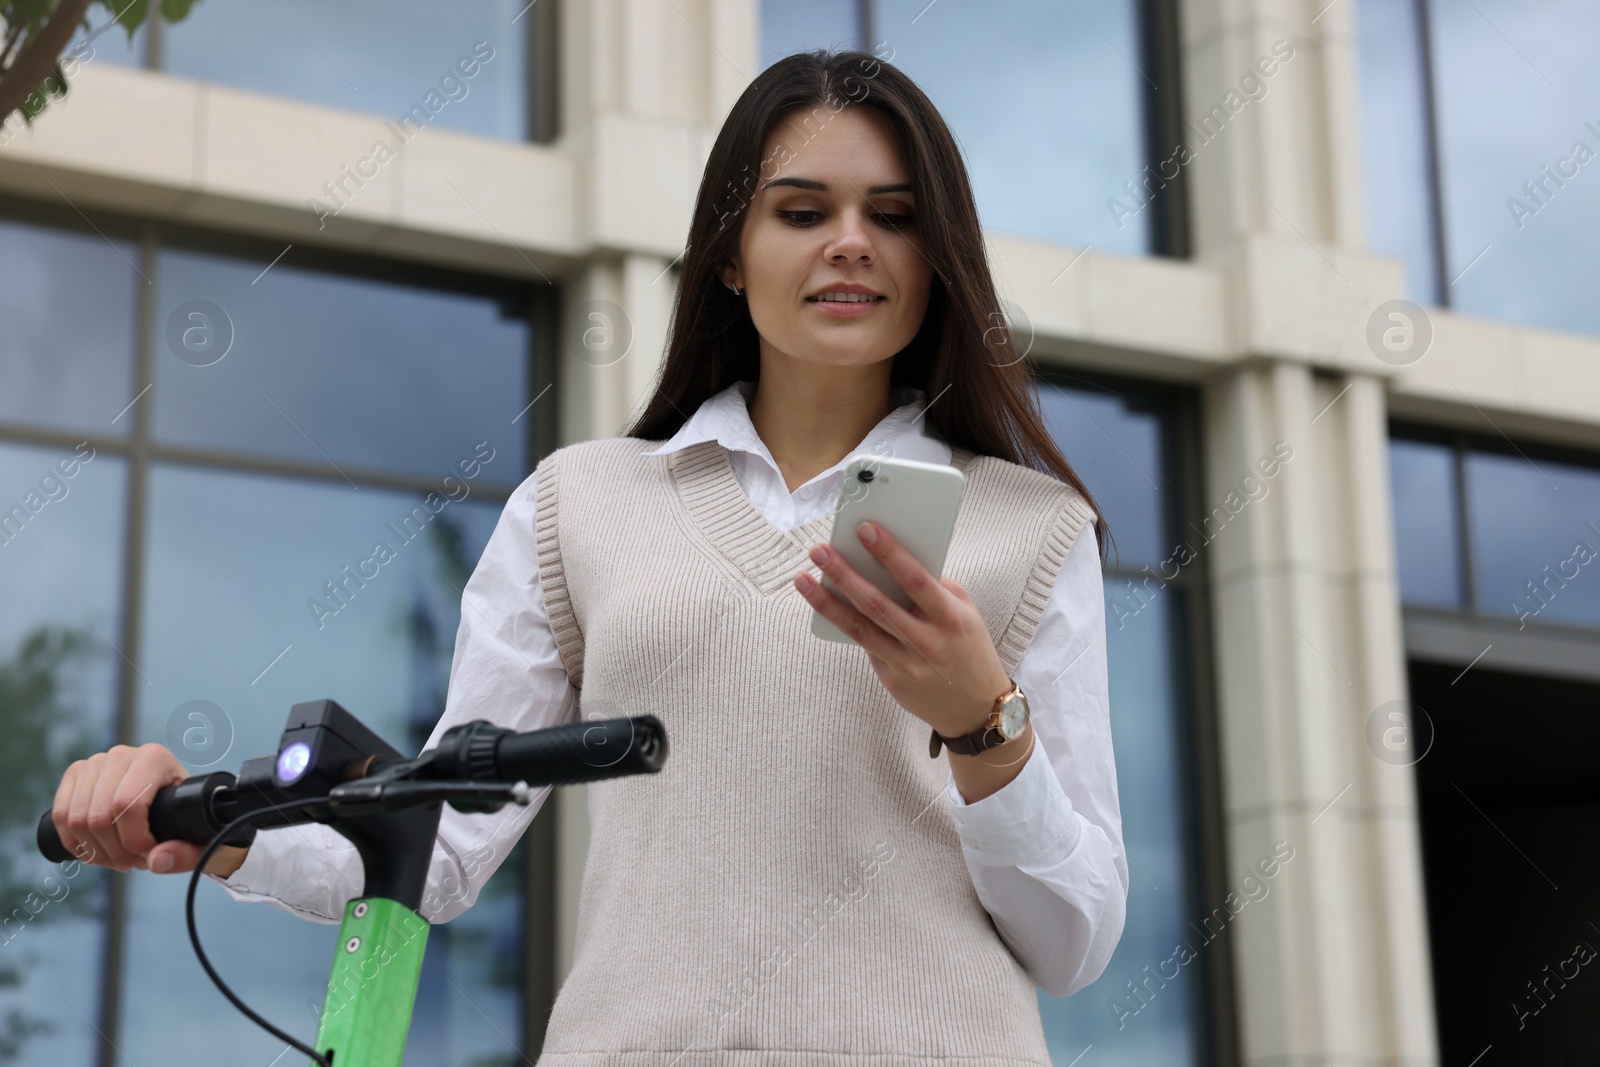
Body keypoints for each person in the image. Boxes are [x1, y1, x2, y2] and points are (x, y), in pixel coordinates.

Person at [51, 49, 1127, 1063]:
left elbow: (1072, 943)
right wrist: (211, 822)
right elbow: (440, 844)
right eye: (802, 211)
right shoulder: (581, 502)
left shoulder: (1032, 529)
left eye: (892, 218)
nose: (849, 242)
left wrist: (985, 721)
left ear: (936, 261)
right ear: (728, 259)